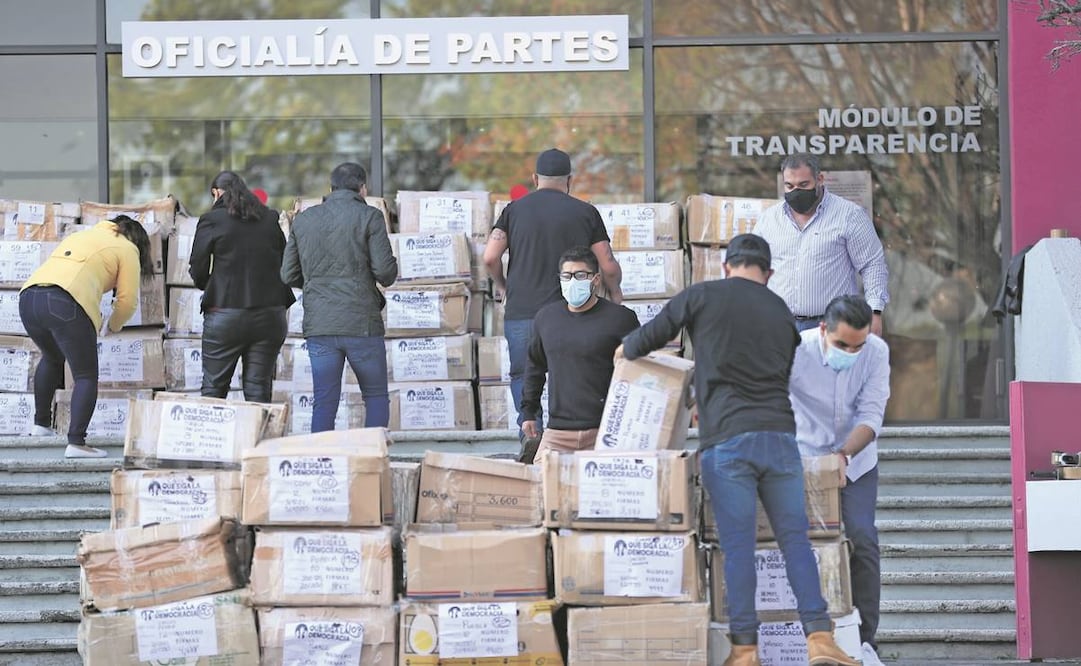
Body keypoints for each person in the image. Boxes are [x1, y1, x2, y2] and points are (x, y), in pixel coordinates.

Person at [617, 234, 857, 666]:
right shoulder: (781, 312)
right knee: (795, 543)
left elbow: (647, 338)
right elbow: (781, 371)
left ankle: (746, 650)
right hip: (781, 439)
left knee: (740, 547)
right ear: (767, 273)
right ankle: (821, 639)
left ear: (727, 266)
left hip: (728, 440)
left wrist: (623, 353)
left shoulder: (702, 295)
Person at [483, 148, 623, 460]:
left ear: (534, 179)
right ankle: (573, 440)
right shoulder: (585, 212)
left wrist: (503, 285)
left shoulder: (513, 210)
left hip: (522, 311)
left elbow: (490, 256)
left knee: (523, 375)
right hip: (568, 314)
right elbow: (608, 266)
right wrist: (615, 295)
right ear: (570, 180)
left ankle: (530, 431)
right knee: (569, 371)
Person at [789, 295, 890, 666]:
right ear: (822, 330)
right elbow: (776, 401)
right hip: (803, 456)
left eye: (857, 345)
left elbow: (872, 413)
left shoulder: (876, 353)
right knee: (800, 543)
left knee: (862, 539)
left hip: (856, 460)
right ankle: (807, 639)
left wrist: (844, 455)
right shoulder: (797, 350)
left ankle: (865, 642)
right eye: (842, 345)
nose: (851, 352)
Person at [19, 214, 153, 458]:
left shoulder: (80, 236)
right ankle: (77, 443)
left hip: (28, 298)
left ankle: (41, 426)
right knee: (85, 375)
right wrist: (113, 325)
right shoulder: (128, 248)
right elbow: (127, 301)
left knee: (51, 357)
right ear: (138, 240)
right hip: (64, 302)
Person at [281, 162, 397, 431]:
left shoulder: (305, 220)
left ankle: (323, 460)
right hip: (362, 324)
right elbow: (385, 273)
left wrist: (316, 284)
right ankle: (373, 460)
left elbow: (288, 274)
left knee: (324, 399)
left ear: (330, 188)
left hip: (320, 324)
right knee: (376, 395)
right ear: (363, 188)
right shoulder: (370, 216)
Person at [521, 246, 640, 461]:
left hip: (605, 431)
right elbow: (534, 367)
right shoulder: (546, 318)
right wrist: (528, 412)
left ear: (595, 280)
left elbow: (639, 371)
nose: (573, 281)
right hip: (558, 432)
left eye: (580, 275)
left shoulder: (621, 319)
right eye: (567, 276)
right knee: (541, 488)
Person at [189, 170, 296, 403]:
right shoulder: (269, 218)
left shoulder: (212, 220)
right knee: (259, 388)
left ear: (216, 193)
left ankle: (212, 439)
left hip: (226, 313)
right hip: (270, 315)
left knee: (214, 389)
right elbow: (286, 260)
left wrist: (209, 286)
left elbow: (198, 265)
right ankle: (258, 439)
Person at [753, 153, 889, 336]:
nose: (796, 191)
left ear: (820, 179)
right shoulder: (769, 220)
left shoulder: (849, 216)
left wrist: (875, 311)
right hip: (779, 324)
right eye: (789, 186)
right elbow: (755, 267)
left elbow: (872, 264)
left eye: (803, 185)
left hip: (832, 325)